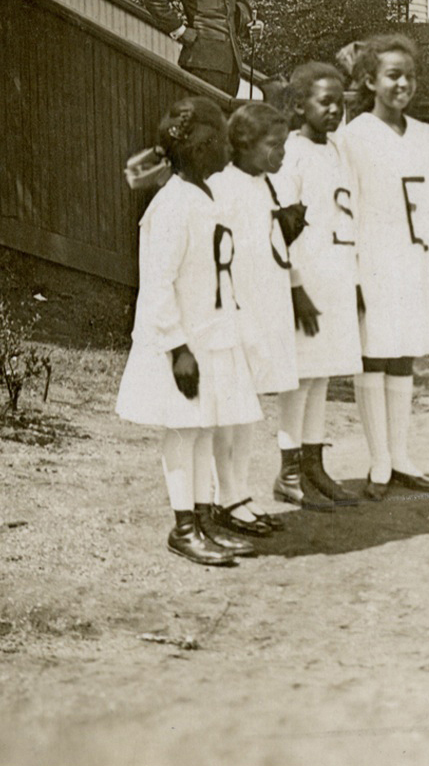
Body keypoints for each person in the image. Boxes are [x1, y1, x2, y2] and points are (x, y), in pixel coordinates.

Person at [114, 97, 266, 566]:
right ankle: (184, 527)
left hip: (209, 334)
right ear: (191, 147)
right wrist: (178, 348)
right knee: (183, 431)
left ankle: (203, 518)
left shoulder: (206, 196)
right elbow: (158, 285)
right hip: (178, 342)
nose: (223, 145)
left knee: (202, 430)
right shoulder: (173, 204)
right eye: (214, 138)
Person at [339, 34, 429, 499]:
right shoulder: (353, 137)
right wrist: (352, 272)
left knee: (404, 351)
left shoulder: (425, 135)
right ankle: (379, 460)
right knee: (374, 352)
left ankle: (402, 454)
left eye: (409, 76)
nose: (402, 84)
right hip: (374, 257)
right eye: (392, 76)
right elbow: (347, 206)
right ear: (370, 81)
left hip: (416, 256)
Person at [202, 103, 301, 539]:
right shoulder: (223, 188)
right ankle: (224, 496)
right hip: (237, 312)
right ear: (243, 144)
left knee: (249, 410)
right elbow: (216, 257)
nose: (280, 153)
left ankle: (238, 493)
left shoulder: (266, 185)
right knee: (230, 410)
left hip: (268, 308)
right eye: (272, 145)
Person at [273, 63, 366, 511]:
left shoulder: (338, 152)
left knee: (322, 373)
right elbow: (281, 228)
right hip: (305, 279)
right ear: (298, 106)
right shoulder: (291, 155)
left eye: (340, 103)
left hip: (336, 276)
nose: (334, 111)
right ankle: (289, 472)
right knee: (300, 377)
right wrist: (295, 288)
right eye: (324, 102)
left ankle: (313, 466)